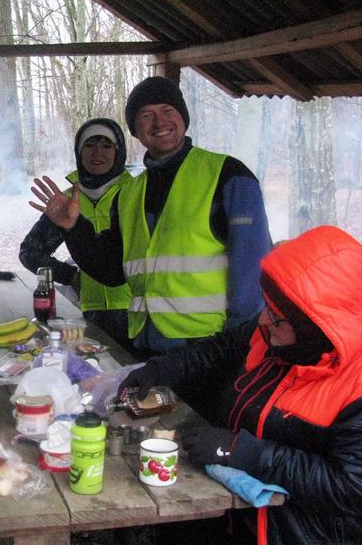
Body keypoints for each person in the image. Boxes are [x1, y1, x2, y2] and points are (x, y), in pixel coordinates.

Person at [118, 225, 362, 545]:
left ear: (317, 327)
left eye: (276, 317)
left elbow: (350, 488)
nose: (263, 320)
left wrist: (238, 450)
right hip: (229, 517)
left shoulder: (354, 384)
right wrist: (160, 370)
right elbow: (218, 350)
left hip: (292, 535)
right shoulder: (275, 335)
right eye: (266, 308)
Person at [30, 77, 271, 360]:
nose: (159, 122)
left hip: (212, 349)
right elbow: (111, 270)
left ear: (183, 117)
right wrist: (73, 228)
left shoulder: (228, 176)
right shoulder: (130, 193)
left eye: (168, 110)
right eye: (146, 115)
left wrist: (238, 347)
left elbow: (255, 272)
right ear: (135, 131)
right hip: (146, 345)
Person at [19, 118, 132, 346]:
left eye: (106, 145)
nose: (97, 153)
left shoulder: (137, 193)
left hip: (139, 313)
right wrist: (70, 276)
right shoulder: (67, 201)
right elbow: (29, 251)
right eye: (89, 145)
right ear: (79, 152)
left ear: (118, 151)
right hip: (92, 315)